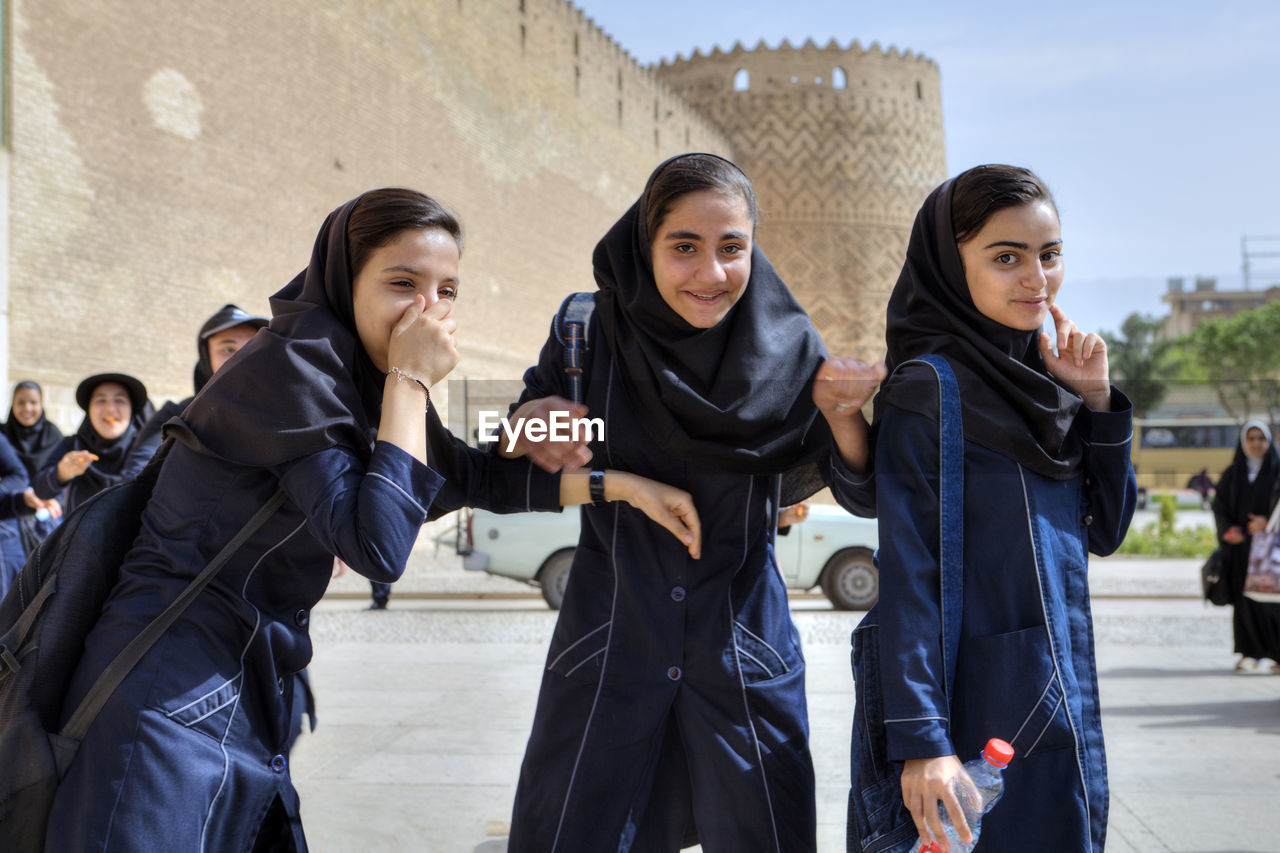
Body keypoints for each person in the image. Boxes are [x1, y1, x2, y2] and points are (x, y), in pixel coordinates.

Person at [44, 187, 700, 851]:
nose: (429, 310)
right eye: (402, 283)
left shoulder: (351, 377)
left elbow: (469, 477)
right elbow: (378, 545)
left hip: (246, 685)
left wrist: (620, 484)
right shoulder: (290, 369)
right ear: (344, 279)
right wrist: (411, 382)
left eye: (448, 290)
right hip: (168, 690)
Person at [501, 153, 884, 852]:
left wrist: (844, 417)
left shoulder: (791, 351)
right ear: (646, 245)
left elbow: (860, 488)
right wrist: (534, 423)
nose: (711, 274)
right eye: (684, 247)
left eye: (732, 247)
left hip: (742, 653)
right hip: (610, 645)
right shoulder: (590, 336)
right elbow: (527, 442)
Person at [856, 165, 1137, 852]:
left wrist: (1096, 403)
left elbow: (1106, 531)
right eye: (1006, 257)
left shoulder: (1045, 385)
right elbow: (909, 575)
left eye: (1050, 254)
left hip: (1053, 694)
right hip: (968, 716)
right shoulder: (930, 390)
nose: (1036, 279)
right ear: (952, 266)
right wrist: (923, 739)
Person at [134, 303, 270, 449]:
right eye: (229, 349)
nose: (242, 357)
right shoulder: (175, 416)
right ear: (206, 357)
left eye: (252, 347)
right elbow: (143, 464)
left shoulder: (281, 414)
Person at [32, 373, 158, 515]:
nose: (110, 409)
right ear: (89, 409)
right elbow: (40, 490)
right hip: (80, 536)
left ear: (131, 409)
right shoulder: (74, 445)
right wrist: (61, 473)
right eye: (101, 400)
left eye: (119, 400)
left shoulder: (146, 450)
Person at [1212, 421, 1280, 674]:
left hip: (1271, 548)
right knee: (1245, 600)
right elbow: (1219, 506)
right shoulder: (1233, 473)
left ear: (1269, 441)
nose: (1256, 444)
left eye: (1261, 438)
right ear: (1243, 442)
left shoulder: (1277, 470)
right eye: (1251, 438)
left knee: (1273, 601)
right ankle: (1249, 653)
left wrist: (1267, 523)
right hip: (1241, 549)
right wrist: (1229, 529)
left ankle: (1277, 655)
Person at [0, 381, 63, 556]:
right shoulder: (2, 435)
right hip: (8, 513)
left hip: (45, 513)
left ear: (41, 404)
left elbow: (60, 478)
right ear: (12, 405)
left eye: (33, 402)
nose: (27, 408)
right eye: (21, 402)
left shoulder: (54, 436)